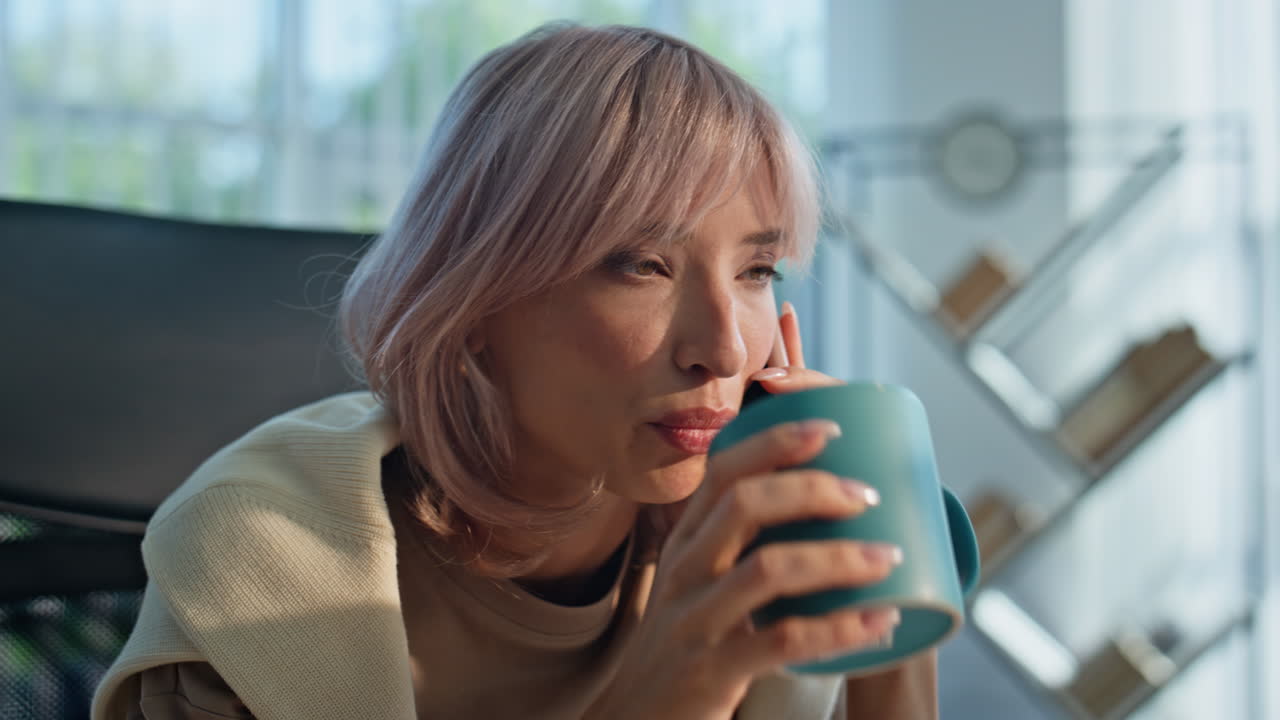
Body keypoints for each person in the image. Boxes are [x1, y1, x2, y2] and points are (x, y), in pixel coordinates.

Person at [92, 22, 937, 720]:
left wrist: (897, 647)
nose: (723, 348)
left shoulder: (732, 539)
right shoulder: (259, 555)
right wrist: (674, 692)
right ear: (477, 297)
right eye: (643, 263)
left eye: (757, 271)